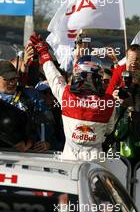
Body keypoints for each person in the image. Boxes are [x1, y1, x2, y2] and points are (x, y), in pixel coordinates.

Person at [30, 33, 116, 161]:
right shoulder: (108, 101)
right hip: (96, 162)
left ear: (77, 75)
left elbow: (52, 74)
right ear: (99, 77)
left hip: (69, 160)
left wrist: (43, 51)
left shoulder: (66, 95)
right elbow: (109, 130)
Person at [0, 61, 52, 152]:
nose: (12, 82)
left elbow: (47, 123)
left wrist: (47, 142)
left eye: (14, 78)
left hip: (29, 154)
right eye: (8, 79)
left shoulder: (32, 95)